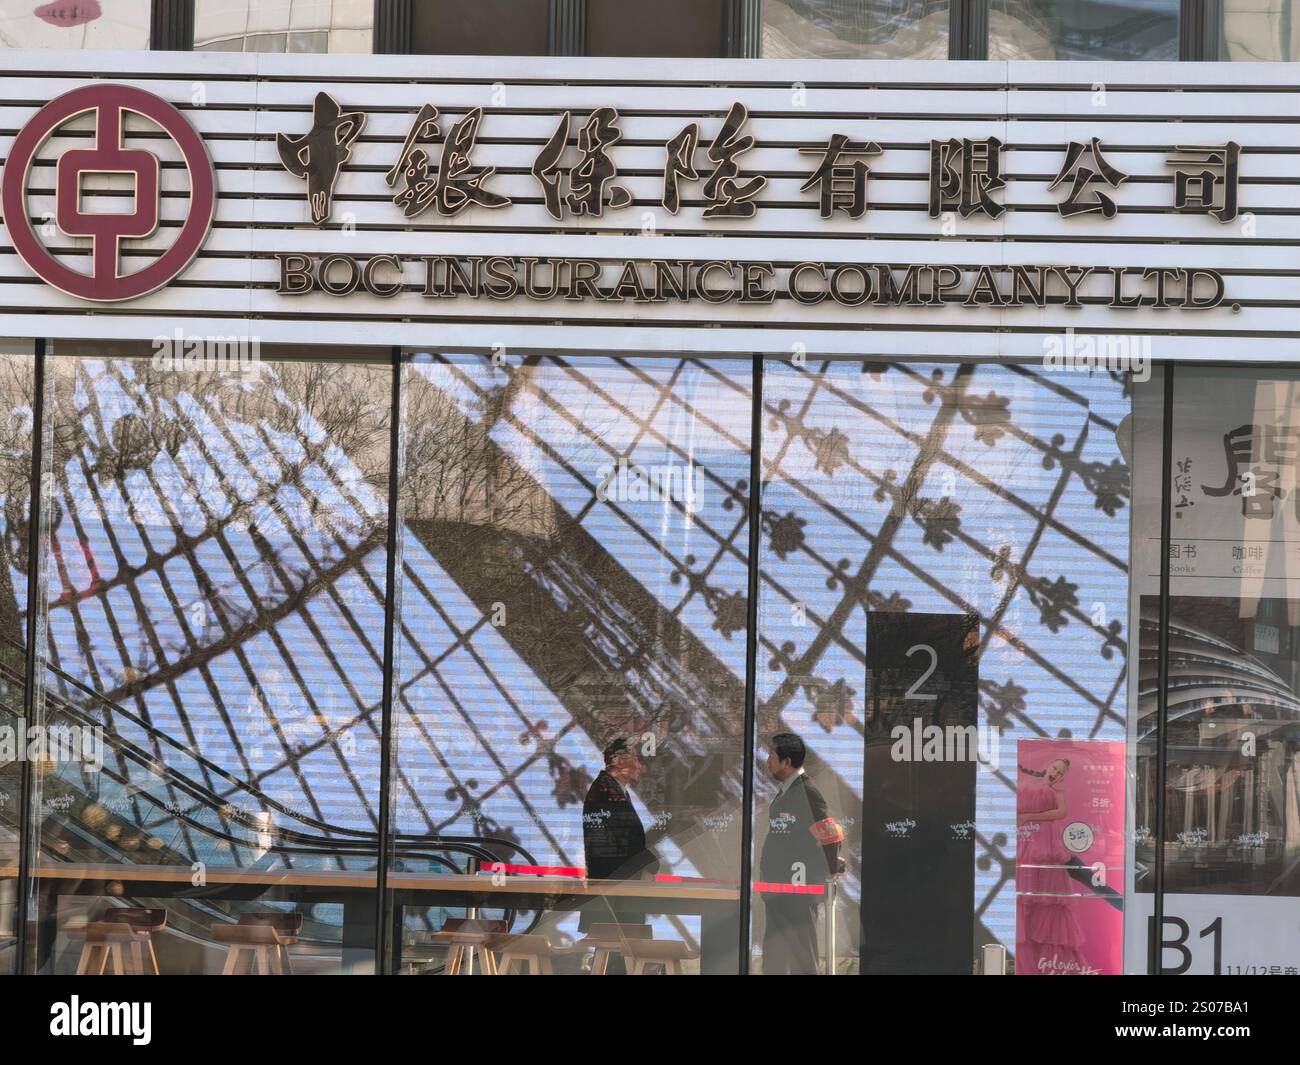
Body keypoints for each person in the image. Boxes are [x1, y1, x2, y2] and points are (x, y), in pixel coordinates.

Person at [759, 731, 844, 975]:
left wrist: (830, 867)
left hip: (798, 891)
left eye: (772, 756)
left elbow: (828, 834)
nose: (768, 761)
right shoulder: (785, 791)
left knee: (802, 959)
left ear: (787, 762)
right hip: (777, 889)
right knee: (774, 960)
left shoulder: (808, 792)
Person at [579, 735, 659, 943]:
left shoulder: (609, 789)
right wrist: (651, 864)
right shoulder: (607, 792)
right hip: (616, 891)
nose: (641, 767)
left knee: (614, 953)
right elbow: (623, 840)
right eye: (637, 759)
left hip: (615, 889)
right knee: (617, 953)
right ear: (620, 760)